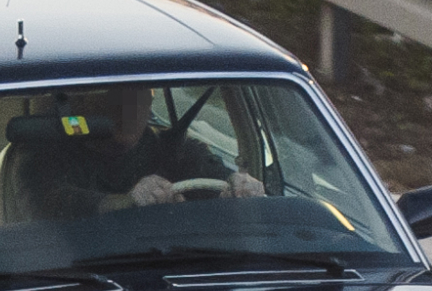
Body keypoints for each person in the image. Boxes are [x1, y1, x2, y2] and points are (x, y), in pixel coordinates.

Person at [20, 84, 264, 219]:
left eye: (142, 94)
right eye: (116, 94)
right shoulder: (48, 159)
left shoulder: (173, 149)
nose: (131, 105)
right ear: (81, 103)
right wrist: (125, 203)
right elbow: (53, 204)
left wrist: (238, 187)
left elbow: (214, 177)